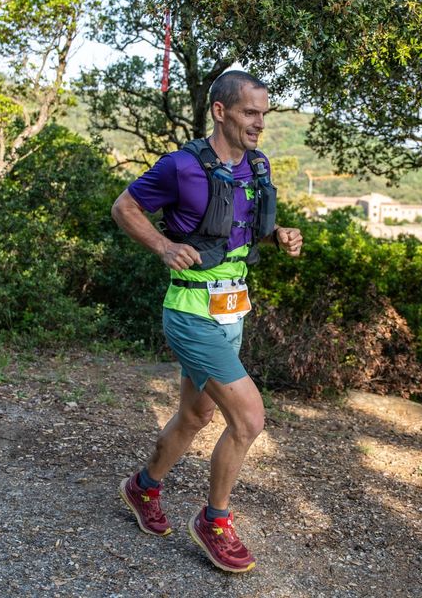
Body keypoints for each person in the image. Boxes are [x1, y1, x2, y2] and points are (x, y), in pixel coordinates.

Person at [111, 70, 303, 573]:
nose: (259, 123)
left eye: (264, 113)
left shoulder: (255, 166)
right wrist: (163, 245)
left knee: (196, 415)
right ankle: (214, 522)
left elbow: (234, 234)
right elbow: (124, 206)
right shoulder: (181, 166)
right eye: (249, 113)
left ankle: (143, 487)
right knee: (249, 418)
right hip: (191, 315)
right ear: (221, 111)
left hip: (230, 310)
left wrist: (277, 234)